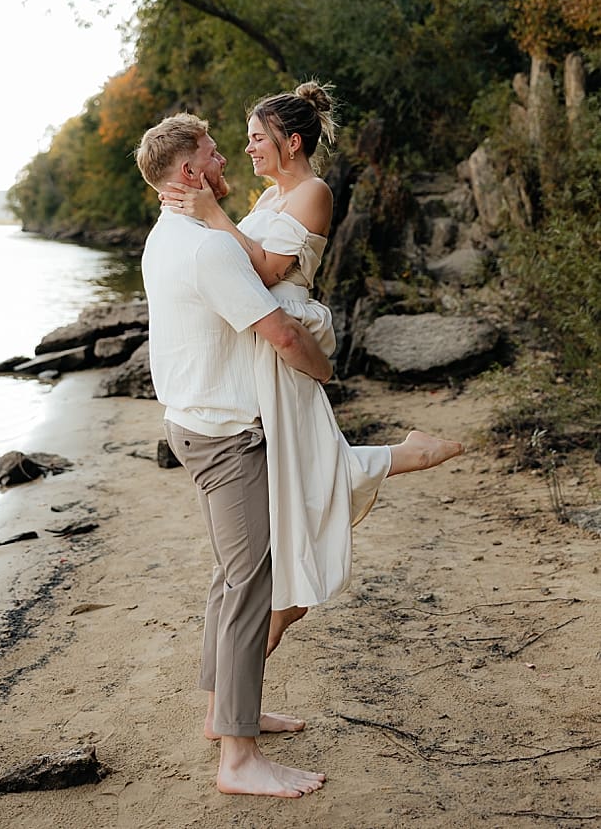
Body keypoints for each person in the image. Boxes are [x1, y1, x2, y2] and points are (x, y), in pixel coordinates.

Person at [158, 84, 461, 652]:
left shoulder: (313, 191)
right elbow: (233, 264)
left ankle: (409, 456)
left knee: (308, 478)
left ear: (291, 141)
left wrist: (211, 213)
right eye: (245, 140)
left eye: (256, 139)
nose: (247, 150)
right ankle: (407, 455)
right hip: (268, 349)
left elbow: (268, 269)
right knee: (303, 480)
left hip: (286, 343)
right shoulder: (269, 199)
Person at [136, 112, 329, 798]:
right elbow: (278, 330)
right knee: (252, 586)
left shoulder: (165, 238)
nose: (226, 159)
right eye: (215, 151)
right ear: (190, 172)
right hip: (225, 435)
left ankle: (225, 713)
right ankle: (239, 758)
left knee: (231, 576)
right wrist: (327, 372)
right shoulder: (208, 249)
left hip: (193, 423)